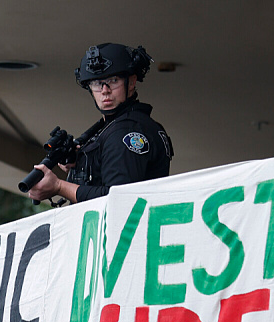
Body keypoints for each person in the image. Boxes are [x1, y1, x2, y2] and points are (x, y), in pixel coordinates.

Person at [28, 43, 174, 204]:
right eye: (97, 83)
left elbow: (118, 198)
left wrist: (58, 186)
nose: (105, 90)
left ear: (131, 82)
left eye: (113, 80)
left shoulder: (126, 131)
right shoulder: (115, 125)